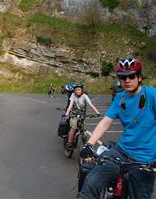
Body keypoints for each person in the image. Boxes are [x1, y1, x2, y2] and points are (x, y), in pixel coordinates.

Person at [78, 58, 156, 199]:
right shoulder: (120, 98)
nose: (127, 80)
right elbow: (105, 122)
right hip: (121, 151)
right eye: (122, 77)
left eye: (131, 76)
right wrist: (89, 144)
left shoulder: (151, 94)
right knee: (91, 181)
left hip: (146, 157)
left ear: (139, 77)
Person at [65, 82, 100, 149]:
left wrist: (97, 112)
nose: (77, 91)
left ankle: (84, 145)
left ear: (82, 90)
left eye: (79, 89)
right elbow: (70, 105)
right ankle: (69, 143)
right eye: (76, 90)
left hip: (82, 115)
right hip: (74, 114)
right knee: (74, 127)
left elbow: (90, 104)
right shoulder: (73, 95)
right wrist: (67, 114)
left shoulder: (84, 96)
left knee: (84, 129)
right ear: (74, 91)